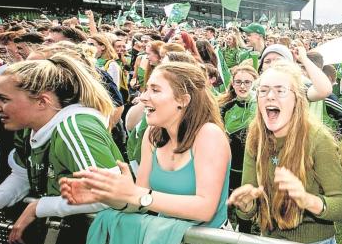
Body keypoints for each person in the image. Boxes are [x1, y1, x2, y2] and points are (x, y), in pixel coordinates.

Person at [61, 61, 231, 228]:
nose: (143, 97)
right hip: (164, 240)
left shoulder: (209, 135)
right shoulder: (152, 134)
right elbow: (139, 204)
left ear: (183, 100)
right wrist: (107, 195)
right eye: (146, 89)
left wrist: (138, 194)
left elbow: (205, 209)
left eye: (155, 90)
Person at [0, 53, 122, 244]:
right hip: (61, 239)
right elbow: (23, 174)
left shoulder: (75, 128)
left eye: (3, 99)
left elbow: (111, 194)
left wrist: (39, 207)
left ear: (42, 101)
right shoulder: (29, 128)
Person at [228, 61, 342, 244]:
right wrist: (245, 205)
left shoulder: (318, 139)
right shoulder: (255, 136)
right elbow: (248, 207)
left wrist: (306, 200)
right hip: (269, 242)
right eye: (263, 90)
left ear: (297, 100)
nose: (270, 96)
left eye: (280, 90)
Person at [218, 63, 259, 192]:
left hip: (253, 168)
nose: (242, 86)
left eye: (247, 82)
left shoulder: (262, 106)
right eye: (238, 82)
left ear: (255, 84)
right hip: (228, 167)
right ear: (233, 84)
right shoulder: (224, 106)